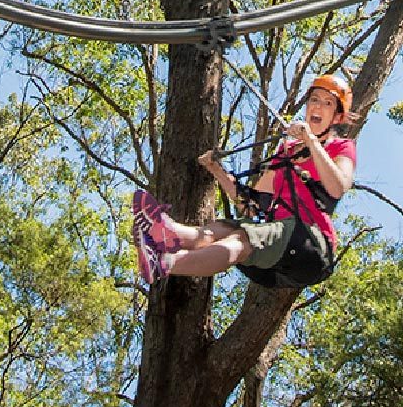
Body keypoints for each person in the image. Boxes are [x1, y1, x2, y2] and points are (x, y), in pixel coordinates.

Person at [131, 73, 357, 289]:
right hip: (276, 246)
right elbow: (252, 206)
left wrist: (310, 140)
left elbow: (338, 187)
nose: (317, 106)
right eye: (314, 99)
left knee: (243, 238)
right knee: (217, 230)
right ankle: (167, 233)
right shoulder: (286, 151)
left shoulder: (341, 147)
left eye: (328, 103)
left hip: (311, 246)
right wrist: (217, 171)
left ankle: (166, 263)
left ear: (337, 117)